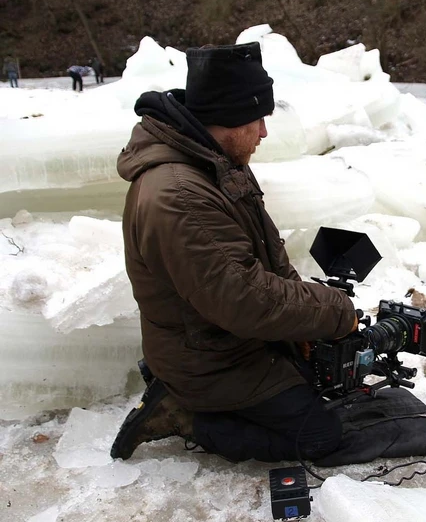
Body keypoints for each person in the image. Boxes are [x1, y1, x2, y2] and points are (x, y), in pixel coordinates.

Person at [111, 42, 358, 463]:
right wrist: (335, 311)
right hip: (207, 358)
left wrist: (302, 329)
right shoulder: (180, 194)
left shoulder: (214, 161)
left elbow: (266, 253)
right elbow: (246, 298)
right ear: (226, 118)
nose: (263, 132)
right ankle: (183, 414)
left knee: (321, 378)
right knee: (319, 436)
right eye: (258, 119)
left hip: (222, 338)